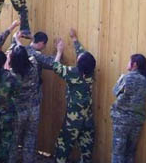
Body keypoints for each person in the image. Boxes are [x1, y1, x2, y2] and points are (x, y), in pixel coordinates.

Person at [50, 28, 96, 163]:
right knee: (86, 148)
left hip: (73, 118)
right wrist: (74, 39)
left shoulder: (73, 73)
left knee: (63, 144)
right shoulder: (90, 73)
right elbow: (83, 56)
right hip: (87, 117)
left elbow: (56, 67)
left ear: (79, 63)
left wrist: (59, 51)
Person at [111, 53, 146, 163]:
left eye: (129, 61)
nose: (128, 63)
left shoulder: (126, 77)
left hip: (121, 120)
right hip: (137, 120)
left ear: (135, 64)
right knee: (130, 152)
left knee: (118, 153)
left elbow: (114, 91)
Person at [9, 36, 40, 162]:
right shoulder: (34, 65)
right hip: (33, 109)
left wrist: (14, 41)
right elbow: (27, 54)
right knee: (30, 138)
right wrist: (18, 41)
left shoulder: (11, 75)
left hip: (18, 111)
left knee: (14, 141)